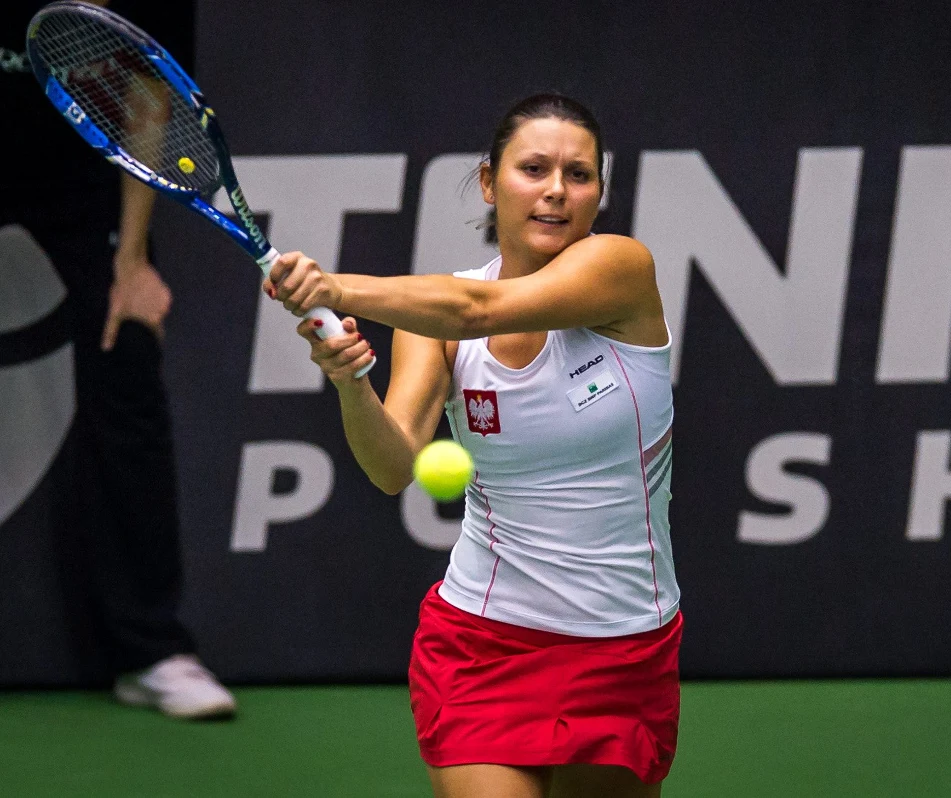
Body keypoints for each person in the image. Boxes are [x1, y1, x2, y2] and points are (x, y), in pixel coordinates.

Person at [268, 93, 682, 797]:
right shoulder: (430, 320)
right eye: (534, 168)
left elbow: (479, 311)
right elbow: (393, 466)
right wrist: (350, 385)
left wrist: (334, 287)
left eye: (579, 175)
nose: (556, 189)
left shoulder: (621, 270)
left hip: (625, 641)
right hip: (485, 641)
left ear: (598, 195)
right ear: (490, 183)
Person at [1, 0, 235, 718]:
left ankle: (150, 651)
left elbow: (147, 92)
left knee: (126, 341)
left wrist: (131, 263)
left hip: (83, 174)